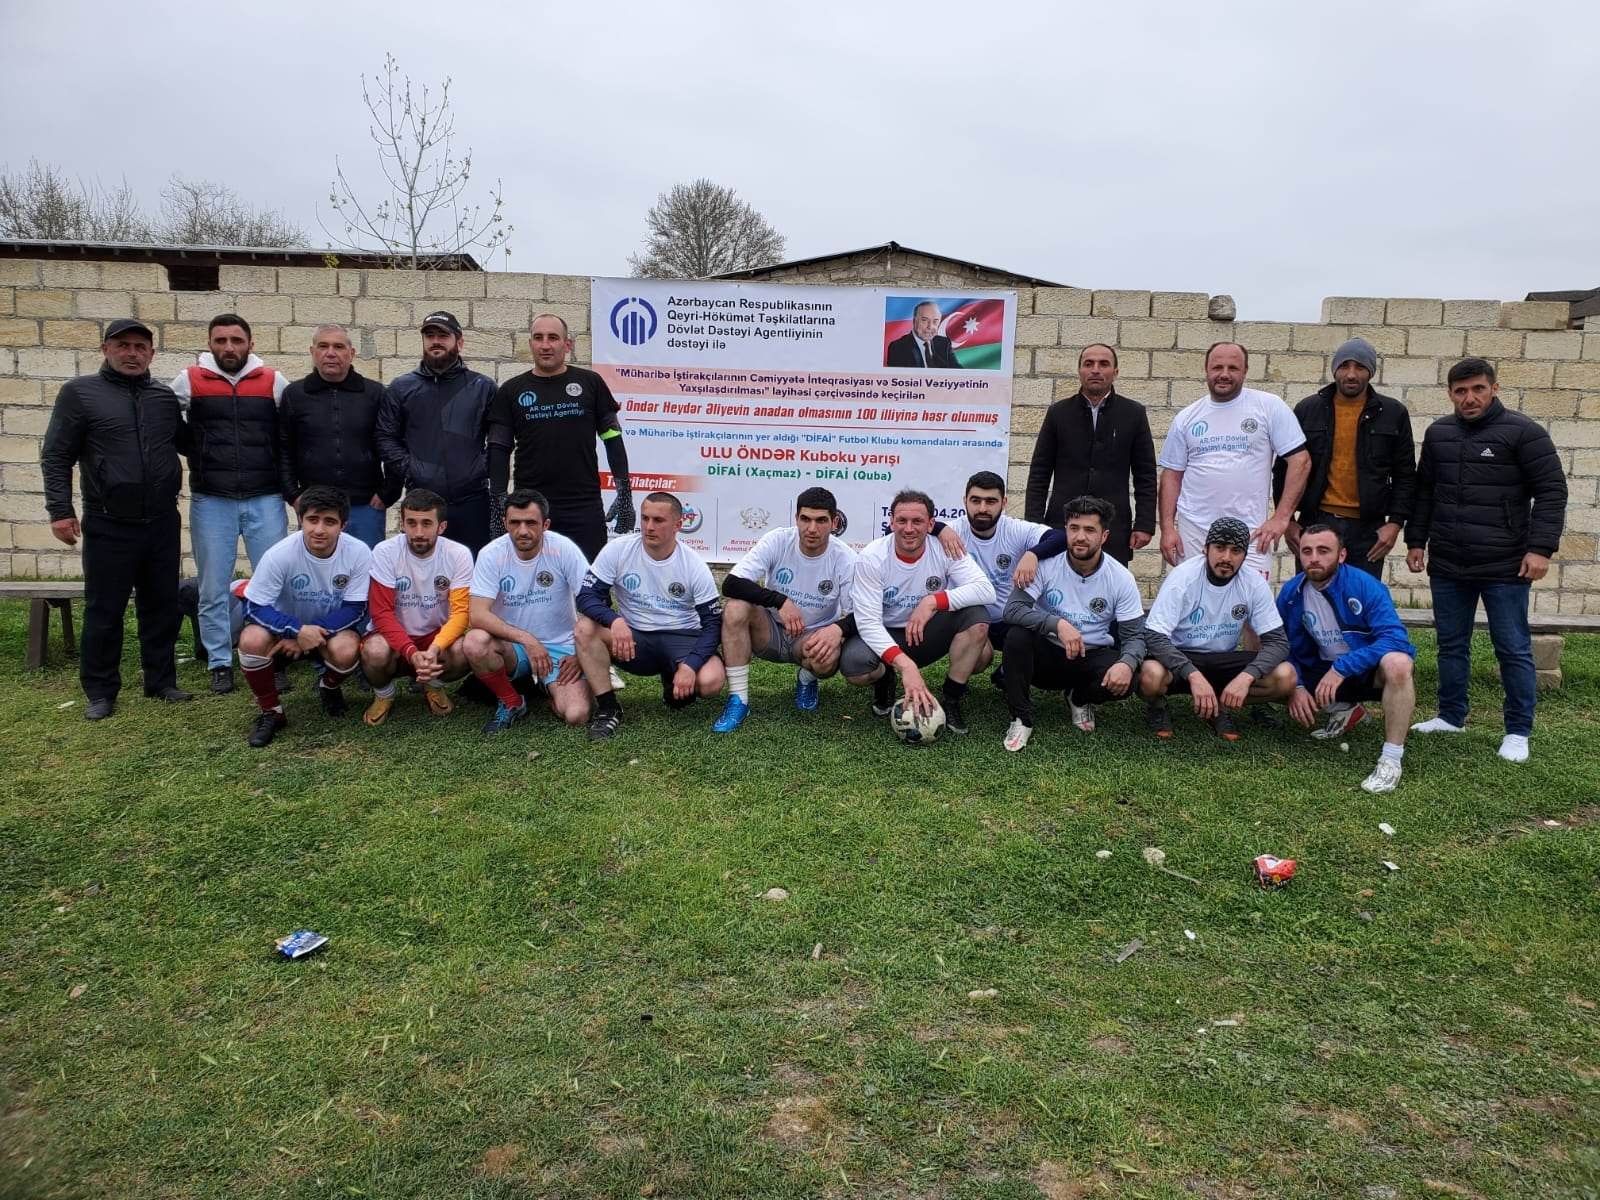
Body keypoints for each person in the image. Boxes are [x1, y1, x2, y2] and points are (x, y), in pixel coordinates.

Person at [1406, 357, 1567, 763]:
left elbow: (1552, 491)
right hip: (1449, 562)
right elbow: (1424, 492)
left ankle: (1517, 730)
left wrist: (1540, 548)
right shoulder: (1439, 434)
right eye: (1461, 391)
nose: (1469, 398)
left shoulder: (1524, 432)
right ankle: (1451, 716)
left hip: (1506, 565)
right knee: (1451, 645)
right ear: (1450, 393)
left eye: (1478, 389)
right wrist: (1416, 540)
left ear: (1494, 388)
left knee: (1512, 648)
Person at [40, 318, 192, 719]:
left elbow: (186, 443)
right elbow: (56, 454)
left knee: (161, 606)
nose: (132, 354)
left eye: (140, 347)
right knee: (104, 610)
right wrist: (60, 511)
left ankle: (160, 681)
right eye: (123, 345)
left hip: (161, 521)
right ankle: (101, 691)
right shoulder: (79, 394)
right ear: (106, 349)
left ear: (152, 354)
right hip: (108, 522)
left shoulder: (163, 397)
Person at [170, 313, 291, 695]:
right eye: (220, 340)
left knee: (274, 583)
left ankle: (274, 657)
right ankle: (220, 662)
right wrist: (196, 449)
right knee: (212, 586)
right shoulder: (190, 379)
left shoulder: (272, 380)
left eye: (236, 340)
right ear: (210, 343)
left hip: (264, 497)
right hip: (212, 499)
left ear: (250, 344)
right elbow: (166, 420)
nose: (228, 347)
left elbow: (290, 431)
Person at [839, 489, 996, 733]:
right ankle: (885, 678)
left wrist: (933, 601)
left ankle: (951, 698)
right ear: (891, 522)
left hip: (927, 633)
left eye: (917, 521)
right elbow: (868, 623)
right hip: (889, 634)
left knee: (978, 621)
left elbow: (986, 590)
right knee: (854, 665)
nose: (909, 529)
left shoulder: (945, 547)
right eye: (902, 521)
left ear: (931, 524)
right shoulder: (872, 557)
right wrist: (905, 666)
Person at [1277, 524, 1417, 793]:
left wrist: (1343, 667)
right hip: (1321, 672)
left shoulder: (1365, 585)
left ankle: (1391, 758)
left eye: (1323, 551)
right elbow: (1280, 643)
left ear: (1341, 555)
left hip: (1365, 672)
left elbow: (1396, 639)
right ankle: (1345, 709)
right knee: (1278, 674)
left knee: (1399, 663)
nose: (1314, 558)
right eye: (1307, 551)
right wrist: (1297, 686)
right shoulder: (1292, 592)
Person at [575, 492, 725, 740]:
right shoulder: (618, 550)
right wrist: (614, 620)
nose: (649, 527)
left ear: (678, 525)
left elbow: (712, 624)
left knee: (711, 682)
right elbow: (586, 596)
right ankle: (608, 708)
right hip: (634, 638)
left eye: (658, 520)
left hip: (682, 637)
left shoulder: (693, 564)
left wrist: (691, 665)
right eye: (645, 518)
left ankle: (673, 678)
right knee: (584, 629)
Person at [1000, 496, 1145, 752]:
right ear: (1065, 530)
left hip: (1089, 656)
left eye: (1090, 530)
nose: (1080, 537)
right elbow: (1012, 610)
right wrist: (1057, 624)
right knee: (1016, 636)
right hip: (1046, 657)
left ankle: (1078, 698)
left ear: (1104, 536)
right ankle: (1021, 718)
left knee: (1129, 676)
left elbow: (1135, 636)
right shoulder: (1044, 565)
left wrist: (1126, 663)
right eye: (1074, 528)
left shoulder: (1121, 577)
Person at [488, 313, 635, 560]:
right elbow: (498, 449)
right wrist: (498, 503)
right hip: (530, 508)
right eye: (538, 338)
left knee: (588, 579)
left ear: (567, 344)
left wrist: (624, 493)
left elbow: (612, 439)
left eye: (553, 338)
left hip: (583, 506)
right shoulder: (511, 391)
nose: (545, 345)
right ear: (530, 344)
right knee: (532, 579)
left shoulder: (591, 383)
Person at [714, 486, 860, 731]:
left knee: (827, 657)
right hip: (769, 630)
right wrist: (779, 601)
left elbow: (860, 615)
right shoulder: (778, 540)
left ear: (834, 523)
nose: (812, 528)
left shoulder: (845, 558)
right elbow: (731, 584)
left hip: (810, 638)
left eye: (821, 520)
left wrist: (836, 630)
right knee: (735, 607)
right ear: (796, 518)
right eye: (805, 519)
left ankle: (807, 677)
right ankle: (738, 699)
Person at [237, 487, 372, 748]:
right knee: (251, 639)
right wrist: (297, 630)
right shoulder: (279, 554)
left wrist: (311, 633)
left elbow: (356, 608)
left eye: (329, 521)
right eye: (312, 520)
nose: (319, 529)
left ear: (343, 525)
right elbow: (254, 607)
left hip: (327, 633)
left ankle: (328, 687)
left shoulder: (358, 552)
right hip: (283, 633)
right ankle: (271, 711)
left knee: (348, 649)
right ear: (300, 520)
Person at [1159, 342, 1310, 575]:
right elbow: (1171, 476)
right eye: (1217, 367)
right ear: (1206, 369)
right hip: (1195, 532)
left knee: (1250, 598)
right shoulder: (1187, 417)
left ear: (1245, 371)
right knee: (1193, 595)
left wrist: (1281, 518)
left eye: (1233, 368)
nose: (1224, 374)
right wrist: (1168, 528)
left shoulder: (1268, 406)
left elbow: (1301, 461)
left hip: (1251, 533)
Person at [1140, 516, 1296, 739]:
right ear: (1206, 549)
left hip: (1223, 661)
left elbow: (1278, 642)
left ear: (1244, 555)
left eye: (1236, 551)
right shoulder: (1183, 577)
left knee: (1286, 676)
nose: (1226, 557)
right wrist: (1193, 675)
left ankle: (1220, 705)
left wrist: (1247, 676)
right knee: (1150, 675)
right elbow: (1154, 636)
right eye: (1220, 548)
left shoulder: (1253, 582)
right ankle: (1157, 705)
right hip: (1181, 659)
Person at [463, 488, 596, 734]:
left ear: (545, 524)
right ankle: (511, 701)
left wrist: (582, 652)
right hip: (513, 647)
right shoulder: (491, 554)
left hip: (560, 648)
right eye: (515, 523)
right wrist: (527, 639)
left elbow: (593, 601)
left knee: (577, 714)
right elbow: (478, 615)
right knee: (475, 642)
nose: (523, 531)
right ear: (505, 523)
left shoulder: (564, 549)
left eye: (531, 523)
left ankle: (546, 685)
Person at [1279, 337, 1416, 576]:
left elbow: (1405, 474)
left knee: (1361, 596)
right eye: (1344, 366)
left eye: (1360, 367)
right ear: (1334, 369)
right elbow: (1283, 468)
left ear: (1371, 371)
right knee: (1314, 594)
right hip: (1316, 523)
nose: (1351, 374)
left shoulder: (1393, 413)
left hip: (1368, 531)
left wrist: (1395, 523)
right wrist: (1287, 521)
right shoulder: (1308, 409)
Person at [375, 311, 497, 555]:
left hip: (472, 501)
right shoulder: (401, 388)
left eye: (443, 336)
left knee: (473, 570)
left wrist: (477, 468)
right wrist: (412, 468)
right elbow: (385, 437)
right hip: (421, 504)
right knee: (421, 573)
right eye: (430, 336)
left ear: (459, 342)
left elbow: (499, 439)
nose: (435, 341)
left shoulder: (483, 387)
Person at [1023, 344, 1157, 563]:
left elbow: (1146, 475)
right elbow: (1040, 472)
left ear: (1115, 372)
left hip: (1113, 526)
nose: (1095, 370)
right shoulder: (1058, 413)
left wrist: (1144, 524)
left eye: (1103, 364)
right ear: (1080, 371)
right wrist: (1033, 524)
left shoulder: (1134, 414)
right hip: (1062, 524)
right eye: (1088, 364)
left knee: (1110, 582)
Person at [360, 489, 474, 725]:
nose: (419, 532)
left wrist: (434, 649)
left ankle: (433, 685)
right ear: (402, 524)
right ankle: (384, 695)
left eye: (426, 523)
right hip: (392, 639)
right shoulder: (385, 551)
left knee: (466, 649)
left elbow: (460, 613)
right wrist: (410, 651)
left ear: (441, 527)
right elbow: (381, 612)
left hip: (435, 638)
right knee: (374, 651)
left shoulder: (459, 554)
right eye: (411, 523)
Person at [279, 323, 397, 548]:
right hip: (314, 507)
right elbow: (284, 448)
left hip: (366, 505)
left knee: (366, 565)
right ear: (312, 352)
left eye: (339, 347)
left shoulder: (375, 393)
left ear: (351, 353)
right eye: (323, 346)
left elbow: (392, 443)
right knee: (317, 566)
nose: (331, 353)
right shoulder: (295, 395)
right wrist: (293, 495)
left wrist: (388, 492)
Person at [938, 471, 1050, 683]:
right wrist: (939, 528)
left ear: (1004, 503)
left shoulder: (1015, 529)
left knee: (1043, 647)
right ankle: (956, 684)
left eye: (991, 501)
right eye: (976, 500)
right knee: (978, 660)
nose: (982, 508)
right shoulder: (952, 531)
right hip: (970, 620)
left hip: (1009, 619)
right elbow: (901, 529)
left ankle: (1006, 672)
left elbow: (1058, 538)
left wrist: (1033, 554)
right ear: (965, 501)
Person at [885, 301, 962, 369]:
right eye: (924, 320)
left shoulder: (944, 343)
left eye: (935, 321)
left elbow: (957, 372)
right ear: (914, 321)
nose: (930, 326)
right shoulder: (898, 347)